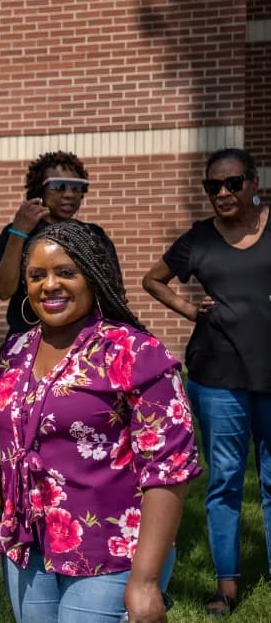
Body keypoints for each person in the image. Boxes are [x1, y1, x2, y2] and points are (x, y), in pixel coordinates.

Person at [0, 221, 201, 623]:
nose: (50, 285)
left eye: (66, 272)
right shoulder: (15, 350)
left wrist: (146, 580)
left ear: (93, 276)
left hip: (112, 551)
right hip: (27, 549)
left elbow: (170, 469)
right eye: (37, 276)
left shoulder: (133, 352)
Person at [141, 147, 270, 617]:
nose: (222, 193)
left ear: (254, 183)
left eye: (233, 183)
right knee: (226, 483)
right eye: (212, 187)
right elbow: (153, 280)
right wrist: (192, 311)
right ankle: (227, 586)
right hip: (218, 374)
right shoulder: (198, 239)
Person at [0, 151, 119, 337]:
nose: (69, 194)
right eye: (59, 186)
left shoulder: (94, 235)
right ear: (39, 191)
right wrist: (19, 233)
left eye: (77, 187)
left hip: (83, 340)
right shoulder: (16, 231)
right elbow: (3, 291)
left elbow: (113, 294)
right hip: (27, 339)